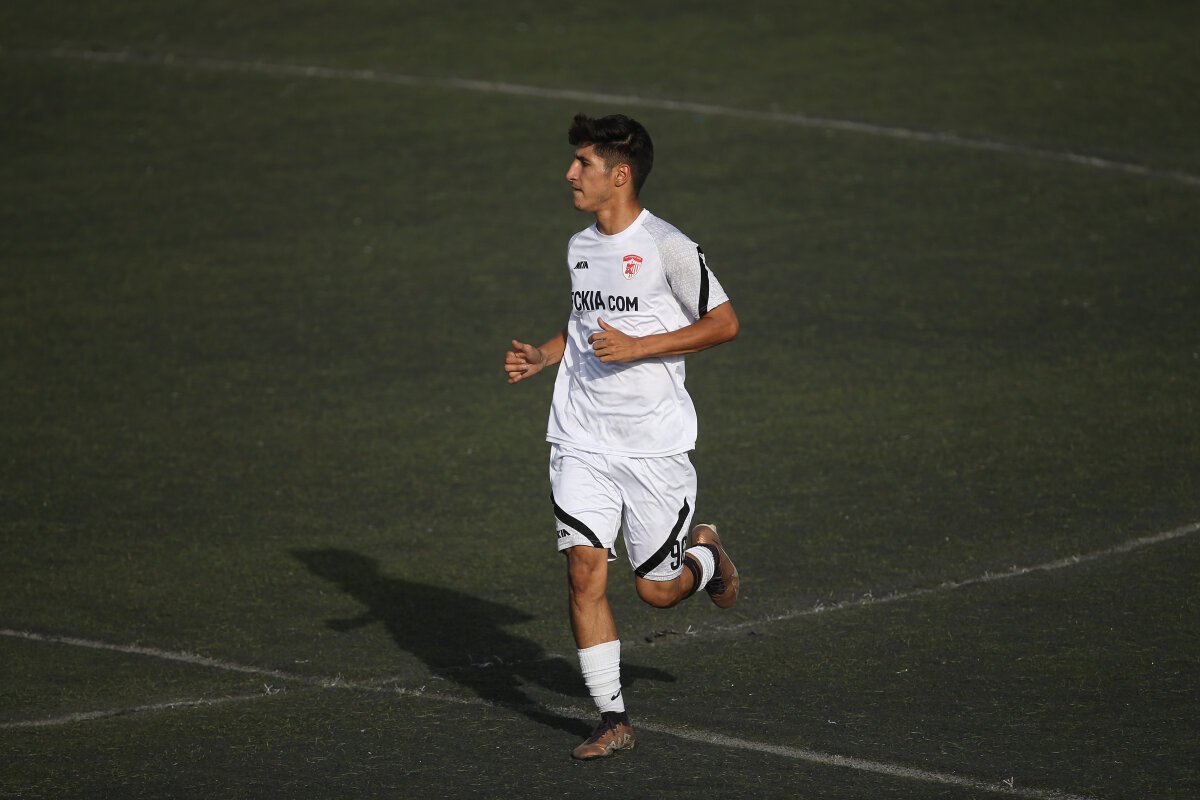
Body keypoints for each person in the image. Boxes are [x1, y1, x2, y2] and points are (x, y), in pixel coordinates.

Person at [504, 113, 740, 760]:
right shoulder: (580, 246)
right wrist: (546, 355)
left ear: (621, 174)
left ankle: (706, 556)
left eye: (583, 163)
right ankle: (612, 719)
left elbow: (724, 323)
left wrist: (641, 346)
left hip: (652, 446)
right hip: (581, 434)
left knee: (656, 591)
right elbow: (584, 322)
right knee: (583, 572)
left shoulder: (667, 246)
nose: (569, 173)